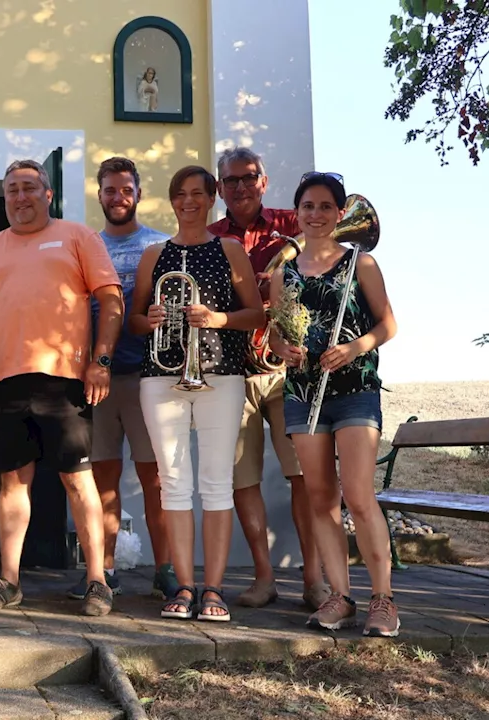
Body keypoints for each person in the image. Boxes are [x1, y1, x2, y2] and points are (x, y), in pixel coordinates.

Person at [0, 159, 123, 618]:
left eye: (29, 187)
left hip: (65, 380)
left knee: (77, 479)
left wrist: (102, 361)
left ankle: (96, 580)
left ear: (47, 194)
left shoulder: (77, 236)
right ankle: (9, 580)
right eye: (12, 189)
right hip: (6, 381)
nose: (20, 197)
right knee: (12, 482)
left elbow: (110, 297)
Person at [127, 166, 264, 622]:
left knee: (216, 482)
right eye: (181, 195)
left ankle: (214, 589)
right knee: (173, 484)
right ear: (171, 201)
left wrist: (218, 319)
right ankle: (184, 586)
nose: (189, 202)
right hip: (161, 376)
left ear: (211, 199)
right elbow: (134, 322)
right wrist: (151, 319)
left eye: (198, 194)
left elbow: (255, 315)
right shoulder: (153, 254)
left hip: (220, 375)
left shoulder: (229, 249)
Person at [269, 172, 399, 637]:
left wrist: (354, 347)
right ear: (297, 212)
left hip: (355, 390)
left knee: (359, 496)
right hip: (304, 393)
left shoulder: (360, 263)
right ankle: (339, 596)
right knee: (321, 499)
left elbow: (388, 325)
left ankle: (382, 600)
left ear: (339, 213)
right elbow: (276, 332)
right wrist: (282, 348)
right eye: (308, 206)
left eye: (326, 206)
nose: (316, 214)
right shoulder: (283, 272)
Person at [207, 147, 329, 611]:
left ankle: (314, 578)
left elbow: (334, 260)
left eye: (248, 177)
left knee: (305, 477)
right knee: (244, 480)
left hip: (289, 371)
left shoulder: (293, 222)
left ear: (264, 181)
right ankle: (264, 576)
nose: (240, 186)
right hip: (233, 371)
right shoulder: (212, 237)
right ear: (220, 188)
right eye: (231, 180)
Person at [67, 157, 176, 603]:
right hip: (100, 379)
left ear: (137, 194)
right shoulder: (85, 245)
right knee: (104, 480)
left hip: (149, 377)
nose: (118, 197)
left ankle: (166, 569)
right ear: (99, 195)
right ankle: (104, 570)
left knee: (156, 481)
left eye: (125, 189)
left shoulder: (160, 244)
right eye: (109, 190)